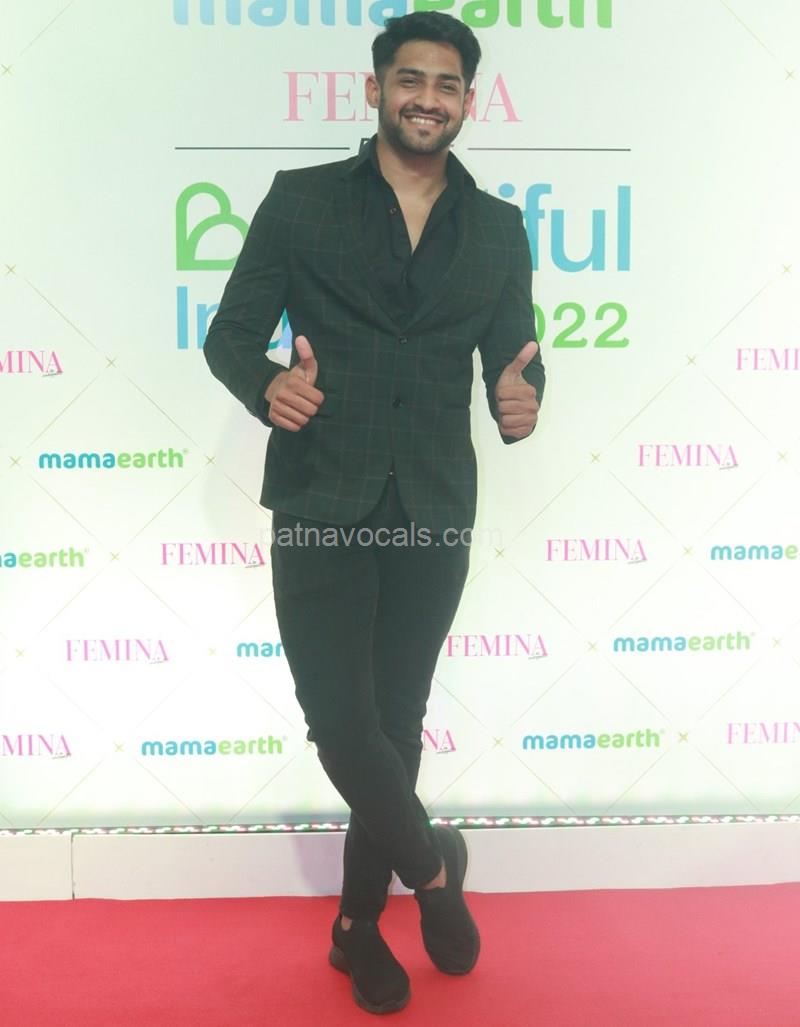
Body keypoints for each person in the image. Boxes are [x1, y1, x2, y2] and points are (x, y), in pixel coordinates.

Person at [204, 11, 544, 1015]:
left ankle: (355, 926)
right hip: (321, 493)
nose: (426, 99)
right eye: (409, 79)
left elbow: (515, 357)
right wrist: (267, 384)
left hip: (434, 500)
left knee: (395, 722)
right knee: (340, 719)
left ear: (466, 101)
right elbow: (230, 336)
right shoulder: (302, 201)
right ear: (375, 89)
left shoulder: (498, 228)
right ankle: (432, 870)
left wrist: (523, 398)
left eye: (445, 85)